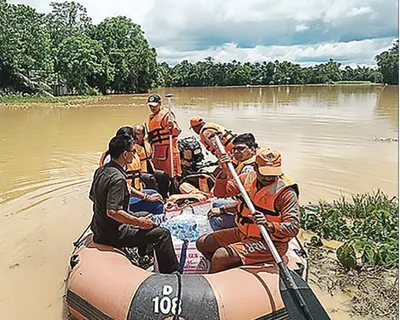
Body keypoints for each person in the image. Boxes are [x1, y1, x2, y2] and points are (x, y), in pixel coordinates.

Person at [196, 148, 300, 273]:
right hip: (243, 233)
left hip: (270, 241)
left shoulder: (286, 192)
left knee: (221, 256)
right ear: (256, 167)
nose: (269, 178)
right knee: (202, 242)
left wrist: (269, 225)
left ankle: (218, 278)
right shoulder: (247, 178)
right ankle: (229, 267)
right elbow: (220, 193)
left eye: (273, 174)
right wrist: (224, 172)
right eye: (265, 173)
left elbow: (293, 227)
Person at [89, 134, 179, 274]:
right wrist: (139, 223)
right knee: (162, 234)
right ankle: (172, 274)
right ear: (125, 154)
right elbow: (113, 212)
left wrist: (146, 197)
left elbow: (93, 196)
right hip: (112, 234)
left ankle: (143, 257)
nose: (135, 154)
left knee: (146, 215)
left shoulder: (102, 170)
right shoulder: (118, 178)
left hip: (99, 227)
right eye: (133, 151)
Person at [99, 126, 164, 215]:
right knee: (157, 204)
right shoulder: (113, 162)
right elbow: (123, 187)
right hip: (122, 198)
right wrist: (146, 197)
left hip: (130, 192)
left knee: (154, 193)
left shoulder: (121, 158)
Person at [208, 133, 259, 231]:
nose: (236, 152)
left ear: (252, 149)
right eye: (234, 149)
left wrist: (223, 209)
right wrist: (224, 171)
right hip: (242, 204)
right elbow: (219, 193)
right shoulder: (242, 163)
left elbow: (248, 203)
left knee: (215, 219)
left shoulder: (249, 169)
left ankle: (230, 238)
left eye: (240, 149)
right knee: (217, 202)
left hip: (252, 213)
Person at [146, 94, 182, 179]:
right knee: (160, 173)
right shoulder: (151, 117)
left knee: (172, 173)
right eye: (150, 106)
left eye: (154, 106)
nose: (152, 108)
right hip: (157, 150)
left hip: (169, 149)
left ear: (160, 104)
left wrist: (172, 126)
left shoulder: (167, 115)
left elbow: (177, 131)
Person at [132, 124, 170, 199]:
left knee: (163, 175)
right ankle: (154, 198)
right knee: (150, 179)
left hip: (150, 168)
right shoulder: (131, 146)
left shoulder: (147, 143)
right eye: (135, 133)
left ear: (143, 134)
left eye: (138, 134)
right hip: (140, 171)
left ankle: (164, 197)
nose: (136, 136)